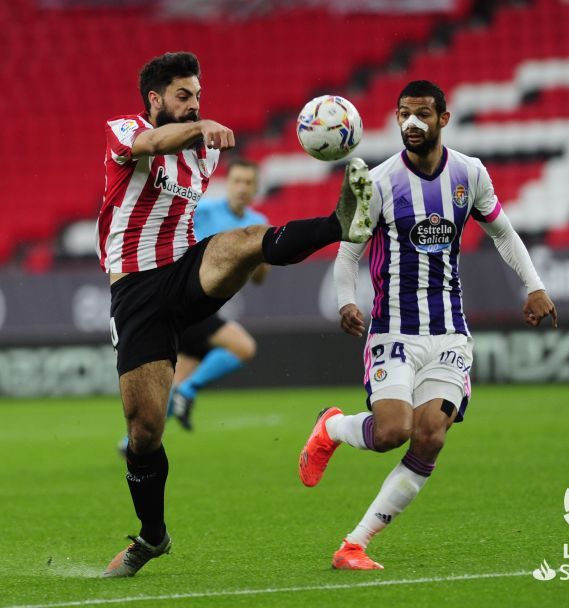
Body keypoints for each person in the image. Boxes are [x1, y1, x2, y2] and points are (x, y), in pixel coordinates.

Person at [98, 51, 372, 577]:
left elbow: (197, 195)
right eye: (184, 96)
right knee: (144, 432)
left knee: (245, 241)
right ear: (155, 99)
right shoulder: (124, 129)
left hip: (182, 272)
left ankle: (341, 223)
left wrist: (198, 129)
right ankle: (153, 537)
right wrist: (199, 125)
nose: (195, 103)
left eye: (198, 96)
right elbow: (151, 144)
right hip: (135, 292)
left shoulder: (204, 158)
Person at [298, 80, 558, 570]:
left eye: (421, 114)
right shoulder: (377, 183)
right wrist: (345, 302)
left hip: (449, 332)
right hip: (394, 329)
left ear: (443, 118)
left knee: (431, 435)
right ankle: (331, 427)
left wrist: (535, 285)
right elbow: (349, 253)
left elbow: (503, 233)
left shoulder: (469, 173)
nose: (411, 123)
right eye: (403, 114)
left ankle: (355, 544)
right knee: (393, 431)